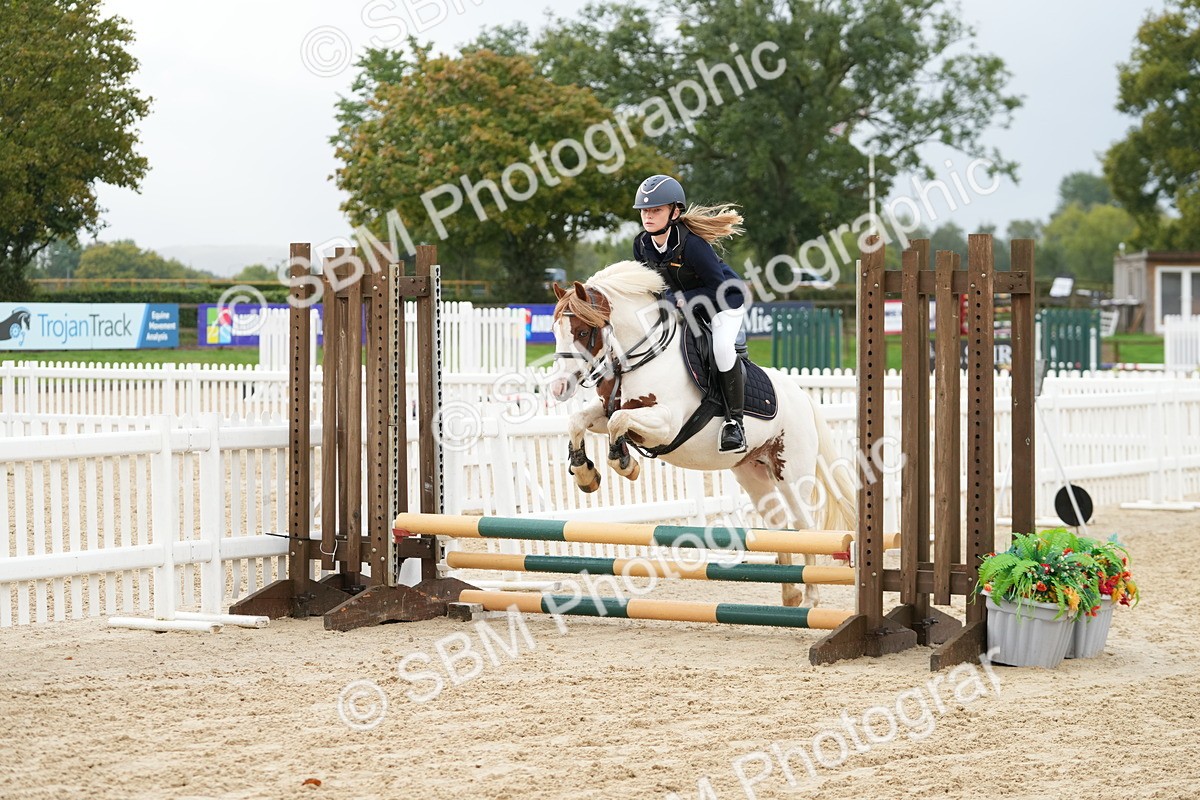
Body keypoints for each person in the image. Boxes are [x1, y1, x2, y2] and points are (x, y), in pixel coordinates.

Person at [631, 174, 749, 454]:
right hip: (683, 305)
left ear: (675, 211)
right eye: (645, 211)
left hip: (724, 302)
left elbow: (718, 288)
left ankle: (735, 424)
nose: (648, 216)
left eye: (656, 210)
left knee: (721, 348)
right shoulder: (641, 244)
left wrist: (682, 299)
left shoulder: (693, 244)